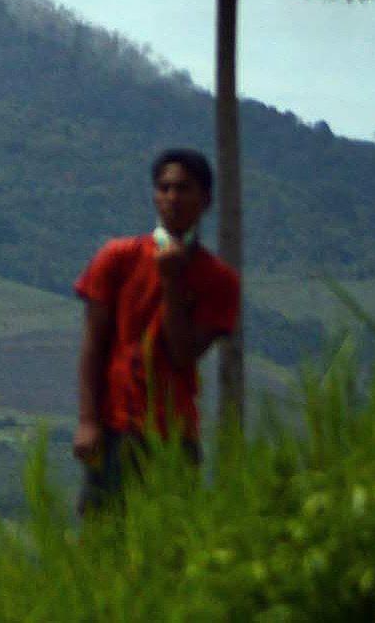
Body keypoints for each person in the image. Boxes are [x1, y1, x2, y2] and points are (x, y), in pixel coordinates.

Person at [72, 147, 240, 515]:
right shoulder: (118, 257)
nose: (172, 198)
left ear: (206, 200)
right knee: (103, 541)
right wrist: (87, 421)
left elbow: (182, 354)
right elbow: (93, 345)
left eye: (183, 189)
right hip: (116, 426)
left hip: (175, 434)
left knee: (170, 545)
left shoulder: (219, 280)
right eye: (164, 188)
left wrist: (172, 283)